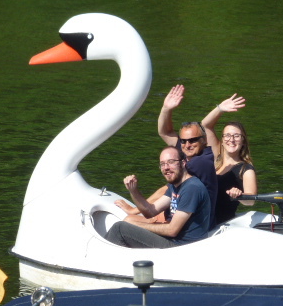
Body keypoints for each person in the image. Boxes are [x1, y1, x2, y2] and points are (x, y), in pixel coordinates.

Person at [105, 146, 211, 248]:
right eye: (162, 164)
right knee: (127, 222)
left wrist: (136, 225)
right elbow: (150, 212)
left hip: (183, 247)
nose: (166, 168)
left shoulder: (192, 188)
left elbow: (172, 230)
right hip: (174, 241)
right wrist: (133, 191)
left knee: (119, 229)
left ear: (183, 163)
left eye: (171, 162)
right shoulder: (175, 186)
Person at [157, 85, 219, 228]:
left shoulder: (201, 161)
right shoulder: (186, 151)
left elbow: (165, 189)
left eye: (193, 140)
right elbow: (165, 132)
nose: (187, 145)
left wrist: (137, 210)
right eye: (183, 141)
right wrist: (166, 108)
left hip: (193, 227)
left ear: (204, 140)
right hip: (180, 217)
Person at [202, 95, 258, 225]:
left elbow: (251, 200)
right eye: (227, 135)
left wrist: (239, 195)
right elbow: (205, 125)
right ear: (222, 140)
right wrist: (220, 109)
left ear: (243, 141)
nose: (231, 140)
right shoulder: (216, 156)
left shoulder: (246, 169)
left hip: (218, 223)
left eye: (236, 136)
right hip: (201, 218)